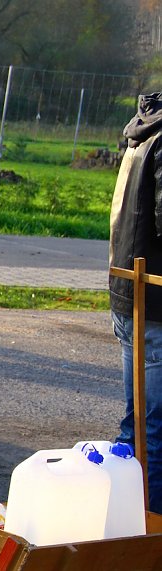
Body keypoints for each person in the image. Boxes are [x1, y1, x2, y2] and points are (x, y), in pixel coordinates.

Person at [109, 91, 162, 515]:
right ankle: (146, 530)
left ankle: (123, 519)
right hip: (154, 304)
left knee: (137, 423)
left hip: (131, 294)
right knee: (152, 428)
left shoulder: (143, 130)